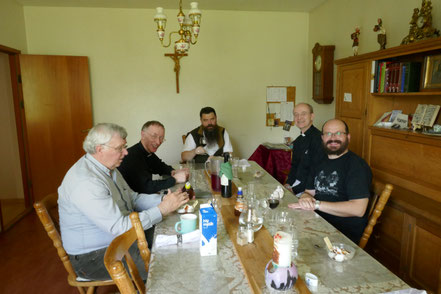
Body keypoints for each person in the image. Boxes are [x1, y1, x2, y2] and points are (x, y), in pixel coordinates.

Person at [58, 123, 189, 280]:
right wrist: (161, 209)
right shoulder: (86, 181)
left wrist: (164, 200)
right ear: (100, 149)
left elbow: (133, 198)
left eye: (125, 147)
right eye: (120, 148)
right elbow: (119, 227)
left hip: (119, 239)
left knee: (176, 236)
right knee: (165, 267)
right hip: (93, 258)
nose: (126, 152)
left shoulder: (108, 168)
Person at [289, 119, 372, 244]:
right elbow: (309, 192)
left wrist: (316, 204)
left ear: (348, 137)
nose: (333, 138)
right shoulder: (319, 161)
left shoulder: (356, 166)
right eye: (328, 134)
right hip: (315, 222)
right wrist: (306, 198)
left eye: (338, 133)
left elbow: (358, 209)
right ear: (322, 138)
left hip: (341, 234)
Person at [118, 121, 188, 194]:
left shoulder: (147, 152)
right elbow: (146, 187)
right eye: (154, 136)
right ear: (143, 134)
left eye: (161, 138)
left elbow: (160, 166)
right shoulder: (132, 156)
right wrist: (174, 179)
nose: (158, 142)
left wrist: (172, 171)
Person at [284, 103, 325, 196]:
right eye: (296, 114)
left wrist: (294, 190)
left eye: (303, 114)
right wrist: (288, 184)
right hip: (297, 185)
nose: (299, 117)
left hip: (311, 189)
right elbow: (294, 165)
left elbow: (316, 172)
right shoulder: (298, 140)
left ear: (312, 116)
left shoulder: (319, 139)